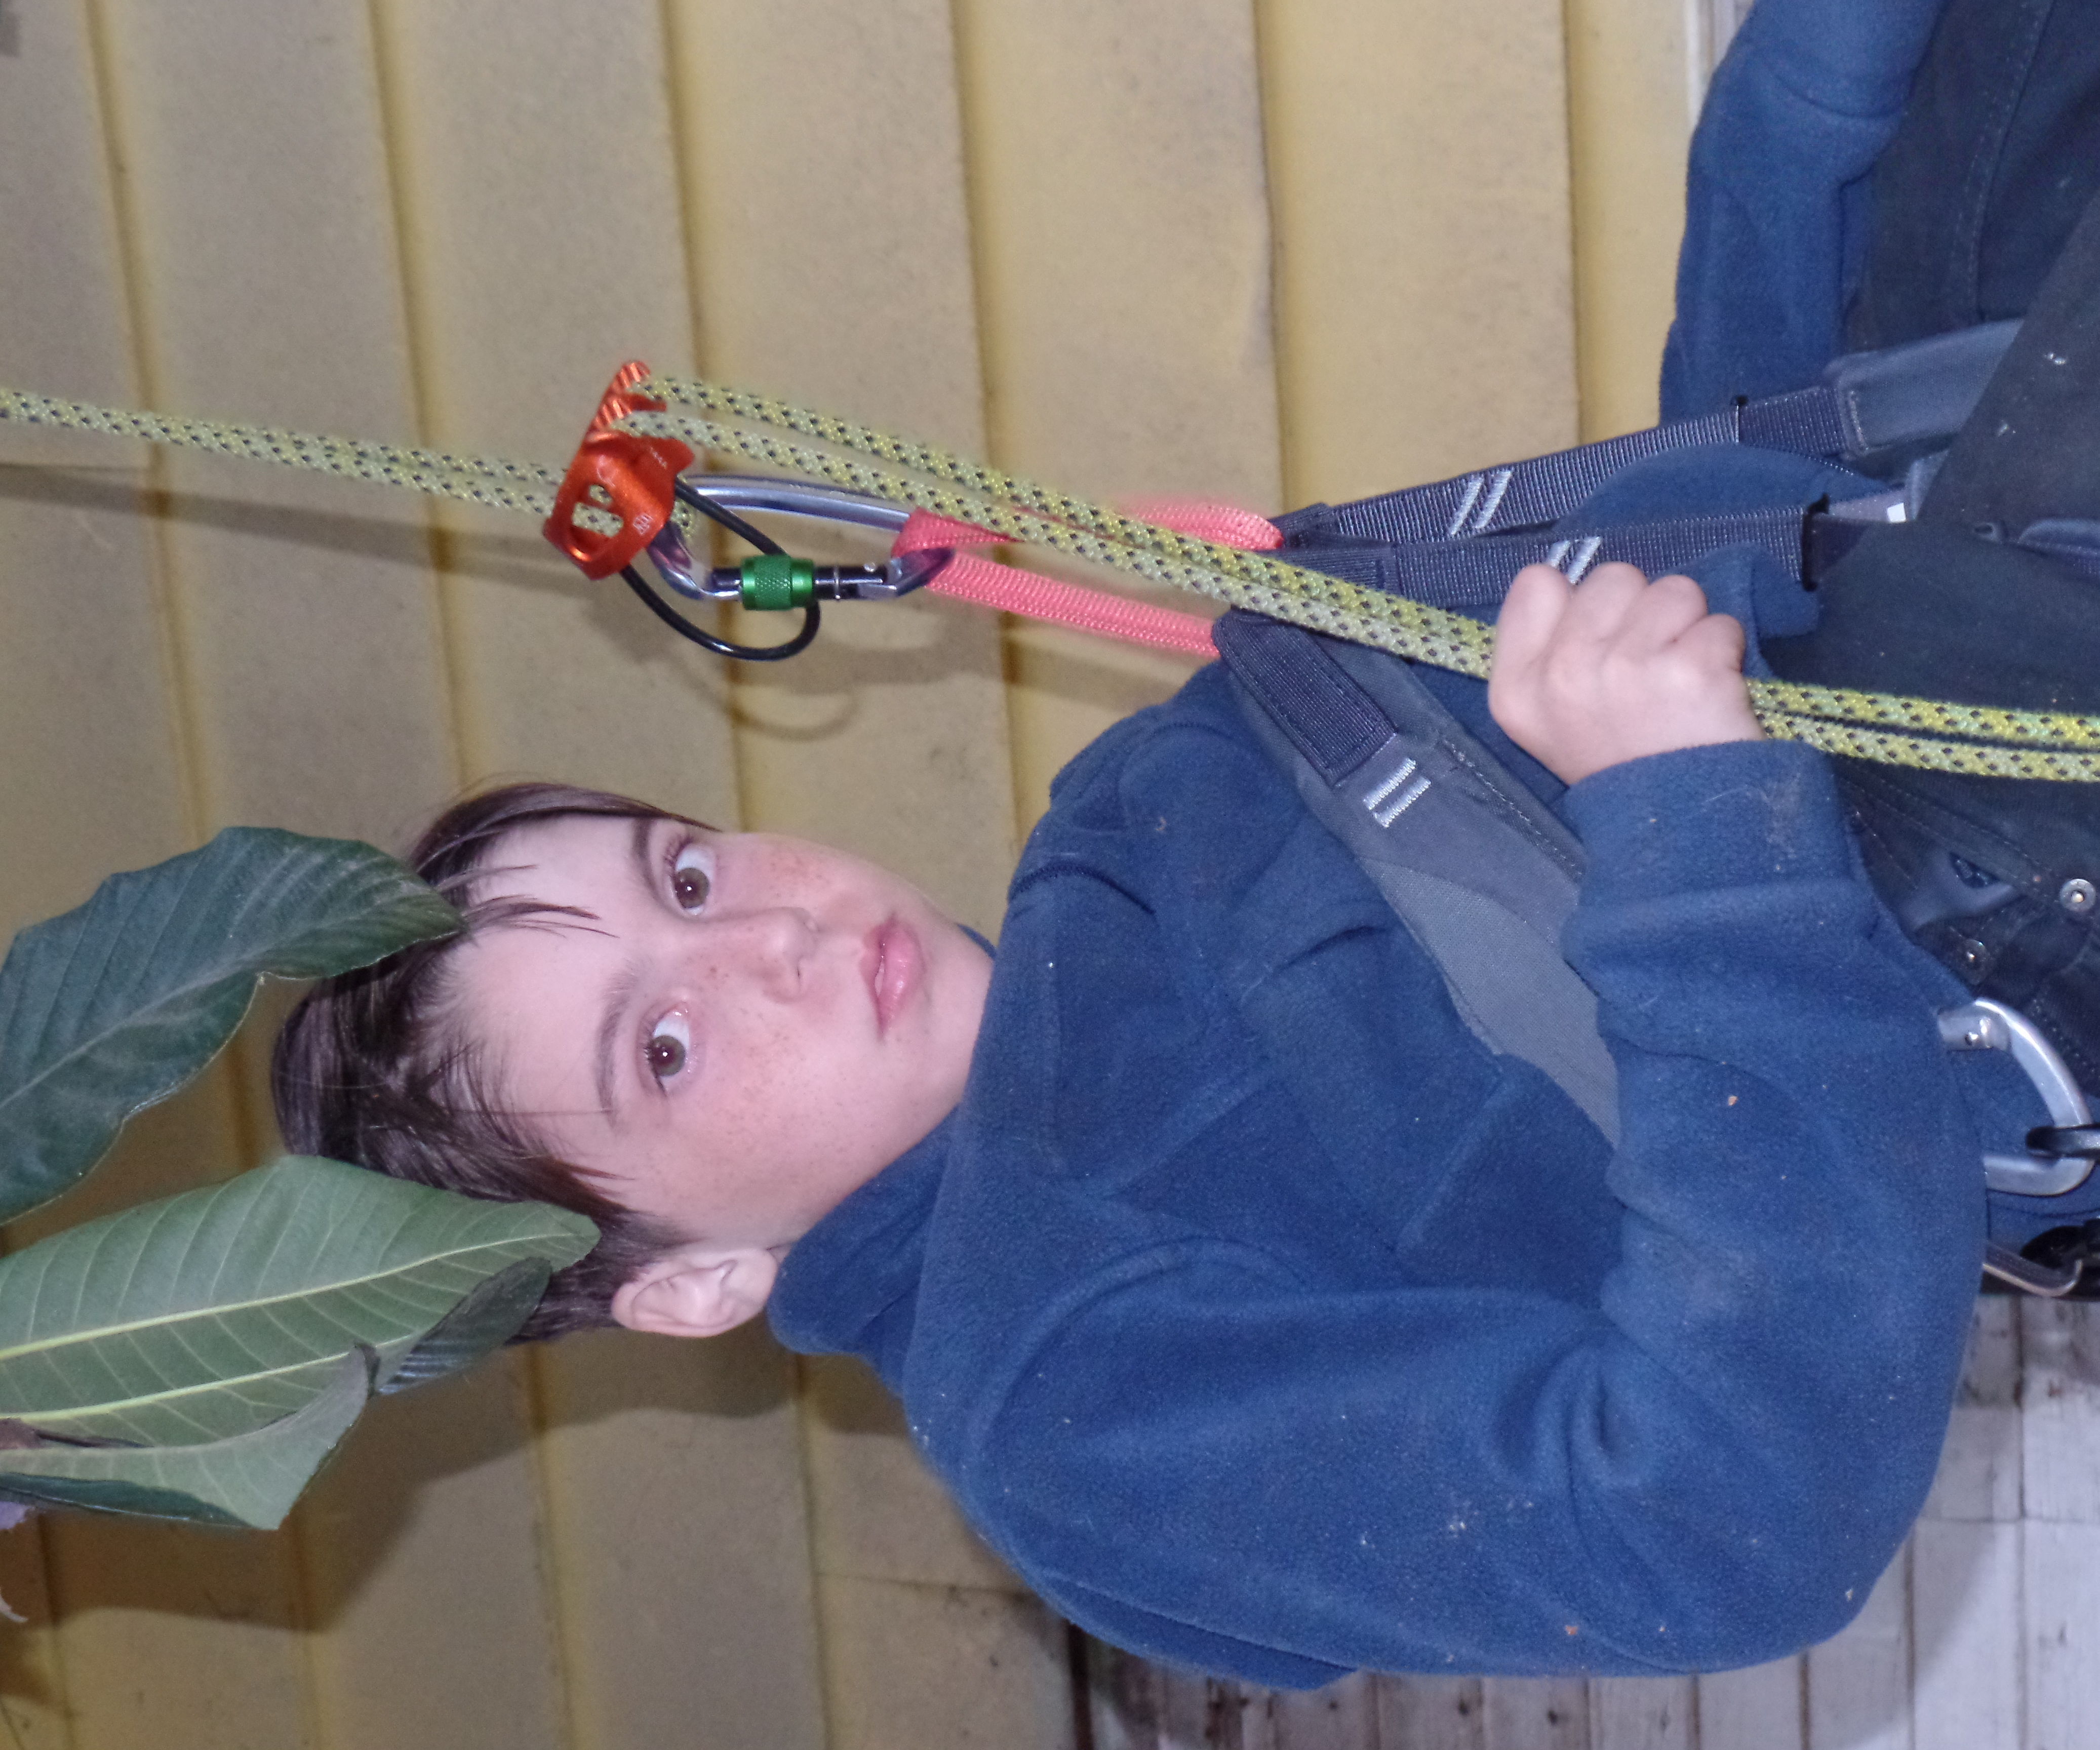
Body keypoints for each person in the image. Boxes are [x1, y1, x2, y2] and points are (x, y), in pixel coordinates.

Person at [274, 0, 2100, 1683]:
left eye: (680, 875)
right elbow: (1718, 1527)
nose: (770, 940)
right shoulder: (1063, 1403)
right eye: (662, 1052)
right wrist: (1693, 827)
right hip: (1944, 932)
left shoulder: (1128, 818)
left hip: (1882, 608)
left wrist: (1790, 139)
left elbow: (1661, 553)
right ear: (688, 1282)